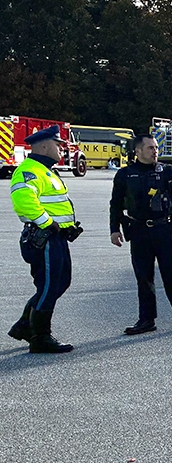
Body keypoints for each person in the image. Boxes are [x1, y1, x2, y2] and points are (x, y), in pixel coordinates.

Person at [110, 134, 172, 334]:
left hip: (164, 231)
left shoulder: (166, 171)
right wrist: (114, 229)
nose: (155, 151)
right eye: (150, 148)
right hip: (139, 231)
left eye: (156, 147)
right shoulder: (125, 174)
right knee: (144, 278)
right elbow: (115, 204)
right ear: (138, 151)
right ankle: (146, 320)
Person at [8, 125, 81, 353]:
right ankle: (40, 336)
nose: (62, 149)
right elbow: (24, 202)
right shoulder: (29, 170)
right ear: (44, 146)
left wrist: (67, 227)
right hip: (45, 238)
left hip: (56, 238)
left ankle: (25, 326)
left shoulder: (46, 170)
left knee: (59, 283)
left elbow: (56, 204)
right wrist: (49, 224)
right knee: (49, 287)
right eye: (58, 144)